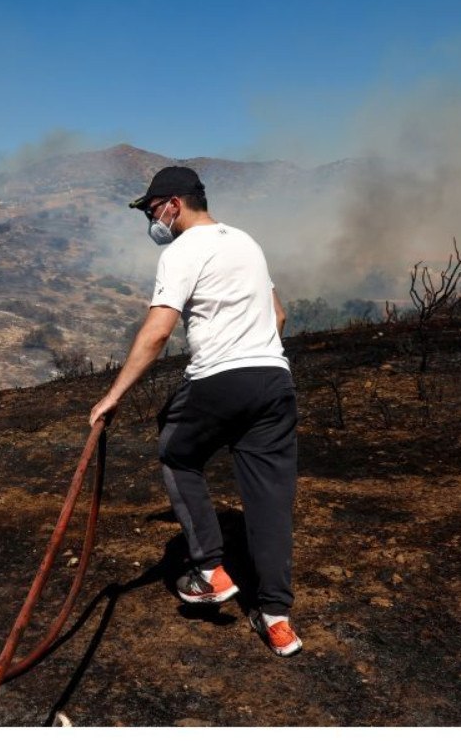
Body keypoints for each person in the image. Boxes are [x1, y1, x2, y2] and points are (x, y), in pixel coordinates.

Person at [88, 166, 301, 657]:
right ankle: (277, 619)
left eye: (149, 209)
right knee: (270, 503)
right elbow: (279, 315)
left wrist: (113, 395)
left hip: (218, 379)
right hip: (274, 380)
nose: (149, 219)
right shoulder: (246, 242)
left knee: (177, 453)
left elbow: (159, 330)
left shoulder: (183, 250)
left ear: (173, 205)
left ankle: (208, 570)